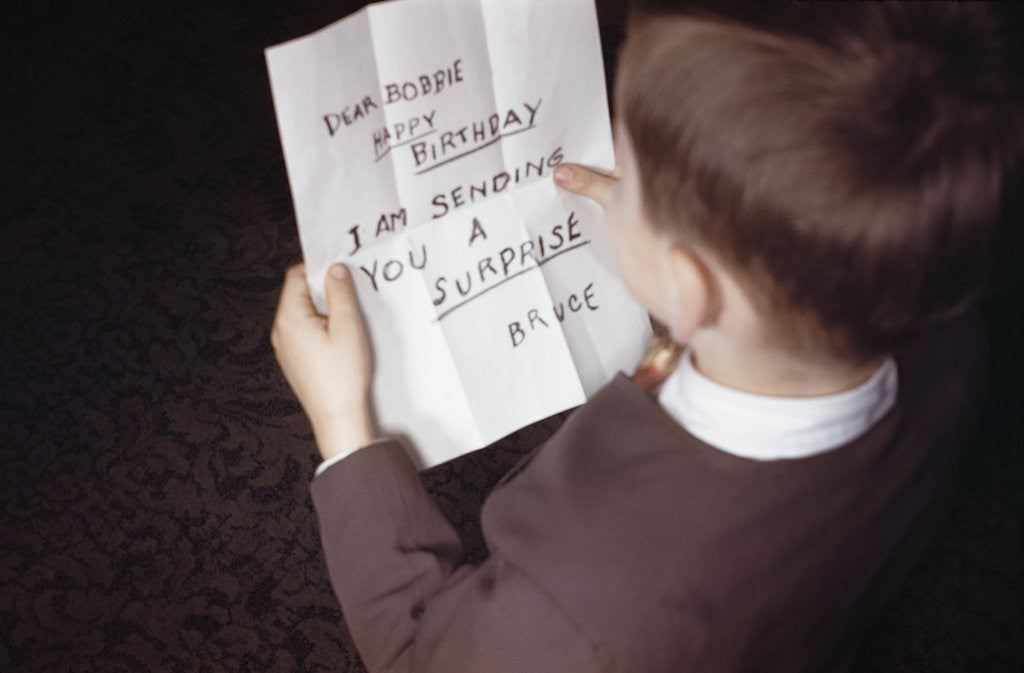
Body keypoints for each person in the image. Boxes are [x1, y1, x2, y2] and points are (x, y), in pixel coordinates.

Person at [270, 2, 1020, 671]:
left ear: (689, 286)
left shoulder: (572, 619)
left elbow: (414, 653)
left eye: (626, 157)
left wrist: (345, 428)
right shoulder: (956, 348)